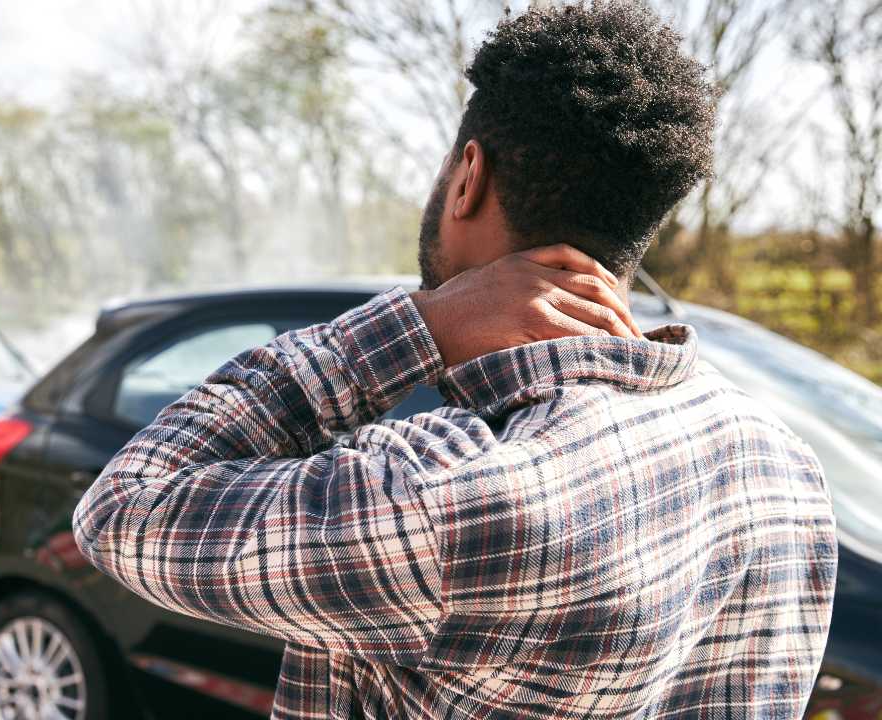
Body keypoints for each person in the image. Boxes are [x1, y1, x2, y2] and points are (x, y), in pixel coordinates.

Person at [73, 3, 837, 718]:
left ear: (468, 177)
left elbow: (125, 507)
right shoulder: (782, 467)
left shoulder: (447, 494)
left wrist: (418, 324)